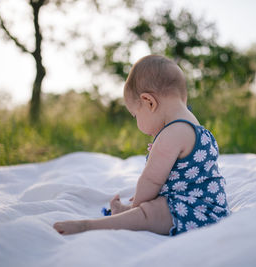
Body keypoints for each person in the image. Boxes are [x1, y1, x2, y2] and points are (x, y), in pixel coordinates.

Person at [53, 55, 230, 236]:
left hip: (195, 211)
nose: (137, 121)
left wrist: (137, 206)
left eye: (135, 115)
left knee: (147, 214)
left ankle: (90, 226)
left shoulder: (172, 133)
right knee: (155, 208)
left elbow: (151, 180)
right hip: (204, 204)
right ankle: (127, 213)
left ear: (149, 102)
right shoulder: (194, 126)